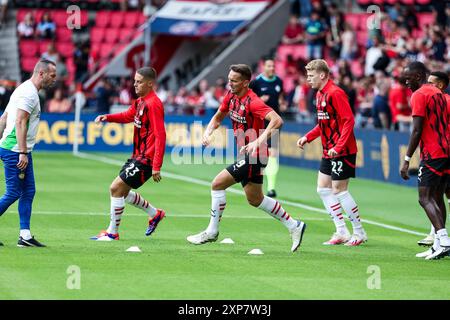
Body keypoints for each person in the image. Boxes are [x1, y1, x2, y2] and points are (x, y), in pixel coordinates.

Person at [186, 64, 306, 252]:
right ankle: (294, 225)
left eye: (234, 80)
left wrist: (258, 141)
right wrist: (208, 132)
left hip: (256, 155)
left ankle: (212, 231)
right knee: (255, 199)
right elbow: (218, 116)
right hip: (247, 154)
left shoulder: (253, 101)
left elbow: (277, 120)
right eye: (229, 79)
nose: (230, 83)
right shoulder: (231, 96)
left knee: (217, 184)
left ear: (245, 83)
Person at [90, 67, 167, 241]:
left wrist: (156, 165)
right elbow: (128, 115)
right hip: (138, 155)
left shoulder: (153, 104)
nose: (135, 85)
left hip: (146, 158)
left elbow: (160, 135)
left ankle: (112, 232)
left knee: (116, 188)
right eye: (134, 81)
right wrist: (107, 117)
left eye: (139, 82)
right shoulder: (140, 101)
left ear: (150, 83)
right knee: (122, 192)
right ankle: (155, 214)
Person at [297, 59, 367, 246]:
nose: (308, 79)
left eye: (311, 76)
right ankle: (341, 231)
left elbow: (348, 121)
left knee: (339, 190)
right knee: (322, 188)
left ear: (322, 75)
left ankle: (359, 232)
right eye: (307, 75)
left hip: (342, 150)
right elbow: (323, 124)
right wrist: (308, 137)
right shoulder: (320, 94)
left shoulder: (336, 93)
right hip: (329, 150)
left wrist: (339, 147)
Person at [0, 59, 57, 247]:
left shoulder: (23, 89)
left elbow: (4, 118)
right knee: (14, 192)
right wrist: (22, 152)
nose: (54, 79)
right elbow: (19, 122)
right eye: (52, 75)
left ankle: (24, 235)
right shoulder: (29, 94)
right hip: (16, 150)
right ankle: (24, 235)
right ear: (41, 73)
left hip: (16, 149)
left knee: (28, 191)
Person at [400, 62, 450, 260]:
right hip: (446, 150)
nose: (406, 82)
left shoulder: (419, 94)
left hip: (433, 152)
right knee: (437, 196)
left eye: (408, 77)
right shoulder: (439, 94)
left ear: (419, 75)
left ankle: (444, 241)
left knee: (424, 197)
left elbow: (417, 130)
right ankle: (438, 244)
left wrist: (406, 159)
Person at [416, 71, 450, 247]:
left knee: (433, 196)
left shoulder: (446, 101)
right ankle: (437, 239)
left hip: (441, 153)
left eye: (431, 82)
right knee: (436, 196)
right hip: (440, 152)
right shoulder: (433, 101)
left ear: (441, 85)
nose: (427, 85)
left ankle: (442, 239)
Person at [250, 59, 286, 198]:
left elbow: (281, 96)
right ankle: (253, 183)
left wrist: (281, 103)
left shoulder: (279, 81)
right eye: (269, 66)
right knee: (260, 154)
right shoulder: (256, 82)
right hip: (260, 122)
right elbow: (248, 99)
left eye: (273, 66)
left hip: (274, 122)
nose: (272, 68)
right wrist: (259, 101)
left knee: (273, 153)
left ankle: (271, 188)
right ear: (263, 67)